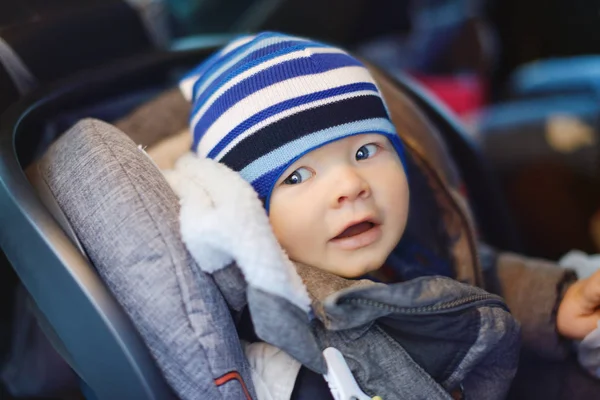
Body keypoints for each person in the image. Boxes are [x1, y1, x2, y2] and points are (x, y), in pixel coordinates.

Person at [178, 31, 600, 398]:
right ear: (250, 211)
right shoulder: (288, 359)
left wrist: (556, 301)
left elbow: (474, 274)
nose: (350, 185)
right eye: (297, 176)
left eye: (365, 151)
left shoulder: (414, 243)